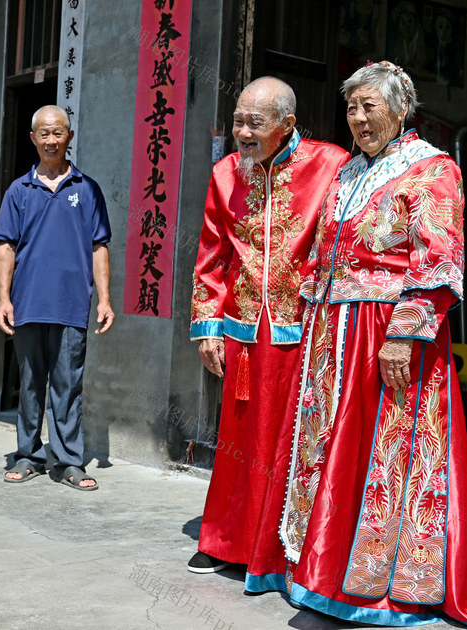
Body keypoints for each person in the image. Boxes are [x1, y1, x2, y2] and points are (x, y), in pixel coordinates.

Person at [243, 61, 467, 629]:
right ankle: (318, 570)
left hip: (387, 333)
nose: (359, 118)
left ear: (399, 108)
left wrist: (405, 334)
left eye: (370, 106)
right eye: (351, 108)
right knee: (329, 451)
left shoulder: (431, 170)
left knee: (382, 458)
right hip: (330, 334)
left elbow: (439, 262)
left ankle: (374, 584)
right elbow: (321, 253)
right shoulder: (347, 175)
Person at [187, 77, 349, 574]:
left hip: (304, 328)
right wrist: (207, 325)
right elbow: (211, 253)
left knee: (295, 439)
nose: (242, 132)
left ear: (287, 125)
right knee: (239, 443)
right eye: (238, 120)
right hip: (241, 327)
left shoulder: (332, 165)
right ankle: (225, 541)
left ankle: (283, 551)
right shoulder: (225, 173)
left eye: (255, 123)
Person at [0, 104, 113, 491]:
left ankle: (68, 461)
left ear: (69, 137)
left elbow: (99, 247)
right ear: (33, 138)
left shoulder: (87, 188)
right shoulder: (18, 189)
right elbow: (6, 246)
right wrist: (4, 297)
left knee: (68, 384)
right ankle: (28, 455)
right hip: (28, 302)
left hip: (72, 303)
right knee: (30, 383)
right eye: (43, 133)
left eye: (57, 132)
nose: (50, 140)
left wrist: (105, 299)